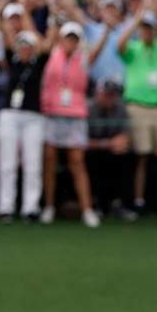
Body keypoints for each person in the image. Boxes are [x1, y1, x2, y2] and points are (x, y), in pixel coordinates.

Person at [116, 7, 157, 213]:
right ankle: (138, 200)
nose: (147, 32)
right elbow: (119, 45)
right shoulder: (134, 48)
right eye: (144, 29)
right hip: (138, 106)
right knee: (141, 155)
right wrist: (136, 21)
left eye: (149, 28)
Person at [41, 22, 99, 228]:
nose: (70, 42)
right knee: (49, 160)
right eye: (68, 38)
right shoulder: (52, 54)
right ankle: (48, 207)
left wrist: (107, 31)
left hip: (75, 115)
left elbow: (96, 51)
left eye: (74, 39)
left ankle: (87, 209)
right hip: (52, 113)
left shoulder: (83, 59)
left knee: (77, 162)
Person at [0, 30, 47, 222]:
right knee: (8, 163)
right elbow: (6, 38)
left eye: (28, 46)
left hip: (33, 117)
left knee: (32, 163)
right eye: (21, 45)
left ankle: (30, 207)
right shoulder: (11, 61)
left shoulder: (39, 64)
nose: (24, 49)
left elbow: (47, 45)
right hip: (10, 115)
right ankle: (5, 206)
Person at [85, 79, 136, 221]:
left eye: (113, 95)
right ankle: (97, 204)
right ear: (98, 94)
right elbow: (82, 141)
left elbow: (125, 137)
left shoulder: (121, 108)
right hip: (94, 150)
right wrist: (106, 144)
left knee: (127, 157)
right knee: (93, 159)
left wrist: (121, 142)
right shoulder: (88, 108)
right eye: (106, 94)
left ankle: (120, 203)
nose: (110, 98)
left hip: (113, 151)